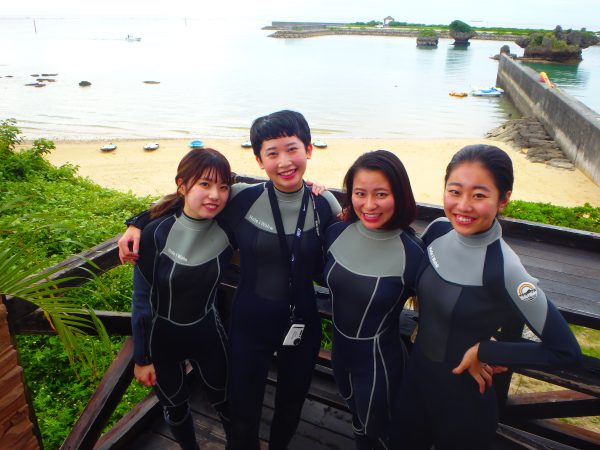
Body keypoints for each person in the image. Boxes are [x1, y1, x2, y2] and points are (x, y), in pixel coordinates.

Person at [119, 110, 341, 450]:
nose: (284, 161)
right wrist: (138, 222)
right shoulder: (240, 197)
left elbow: (348, 238)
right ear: (259, 160)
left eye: (292, 149)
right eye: (272, 153)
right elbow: (190, 202)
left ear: (308, 150)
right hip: (250, 323)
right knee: (243, 408)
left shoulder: (324, 202)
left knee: (291, 404)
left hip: (303, 322)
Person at [391, 144, 581, 450]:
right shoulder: (438, 231)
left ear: (503, 200)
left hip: (464, 404)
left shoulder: (506, 268)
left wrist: (488, 350)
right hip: (415, 383)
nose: (463, 206)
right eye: (454, 191)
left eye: (479, 195)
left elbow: (565, 351)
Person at [131, 148, 234, 450]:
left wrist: (310, 187)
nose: (215, 195)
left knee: (227, 400)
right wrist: (141, 358)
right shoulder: (156, 233)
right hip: (162, 342)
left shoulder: (229, 226)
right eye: (204, 184)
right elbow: (141, 299)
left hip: (208, 334)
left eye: (223, 187)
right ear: (182, 185)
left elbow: (271, 191)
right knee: (175, 407)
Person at [324, 150, 425, 450]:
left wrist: (482, 338)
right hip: (340, 356)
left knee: (375, 434)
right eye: (360, 193)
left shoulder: (413, 253)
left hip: (379, 364)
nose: (369, 205)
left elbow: (444, 306)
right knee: (357, 421)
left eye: (381, 194)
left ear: (399, 195)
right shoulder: (336, 232)